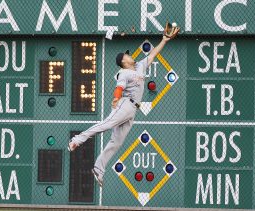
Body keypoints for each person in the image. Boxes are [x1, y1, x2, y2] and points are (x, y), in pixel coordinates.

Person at [67, 28, 180, 187]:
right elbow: (119, 88)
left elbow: (153, 54)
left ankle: (99, 169)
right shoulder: (124, 72)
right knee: (105, 125)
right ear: (123, 61)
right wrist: (115, 99)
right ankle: (77, 140)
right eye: (127, 55)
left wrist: (164, 40)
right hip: (125, 104)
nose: (130, 55)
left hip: (133, 110)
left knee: (117, 142)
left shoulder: (140, 66)